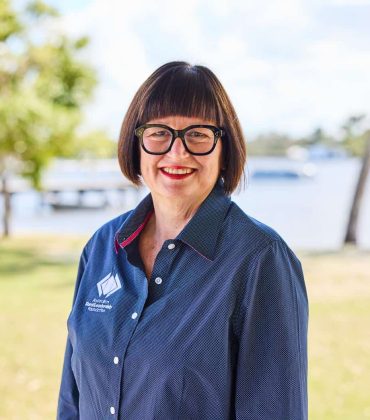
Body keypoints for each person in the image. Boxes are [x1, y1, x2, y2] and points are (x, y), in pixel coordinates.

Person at [57, 61, 309, 420]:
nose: (177, 152)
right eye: (159, 132)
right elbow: (73, 399)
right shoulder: (101, 247)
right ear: (136, 143)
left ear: (225, 149)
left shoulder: (259, 259)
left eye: (199, 134)